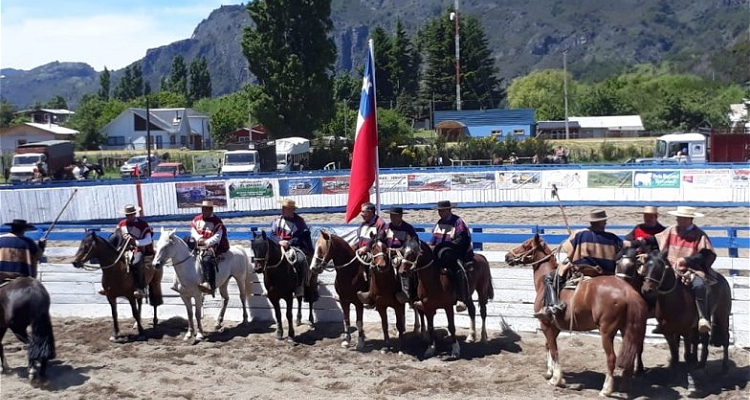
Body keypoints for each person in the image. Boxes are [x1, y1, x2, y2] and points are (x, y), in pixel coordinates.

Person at [627, 206, 716, 334]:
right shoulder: (671, 230)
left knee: (699, 285)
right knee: (653, 282)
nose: (678, 220)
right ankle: (661, 319)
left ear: (689, 219)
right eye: (678, 217)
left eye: (681, 218)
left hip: (691, 269)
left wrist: (687, 260)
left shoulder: (699, 235)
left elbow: (705, 254)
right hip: (670, 267)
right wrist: (634, 243)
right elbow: (653, 239)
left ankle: (703, 317)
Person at [535, 209, 623, 321]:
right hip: (607, 274)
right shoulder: (613, 238)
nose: (605, 223)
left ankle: (552, 306)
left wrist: (572, 238)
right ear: (603, 222)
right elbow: (621, 253)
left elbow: (567, 249)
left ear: (591, 222)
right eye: (604, 221)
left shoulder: (580, 234)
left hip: (583, 272)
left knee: (550, 278)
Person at [357, 206, 417, 307]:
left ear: (400, 216)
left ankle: (405, 292)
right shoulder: (387, 227)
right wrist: (378, 244)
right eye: (391, 216)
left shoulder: (408, 228)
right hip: (386, 253)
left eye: (395, 216)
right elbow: (380, 237)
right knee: (373, 264)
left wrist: (399, 250)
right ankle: (371, 292)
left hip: (402, 254)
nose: (392, 218)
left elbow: (412, 243)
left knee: (400, 265)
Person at [423, 200, 472, 313]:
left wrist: (448, 246)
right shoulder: (439, 223)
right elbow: (434, 239)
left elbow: (462, 240)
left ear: (449, 210)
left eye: (443, 210)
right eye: (439, 211)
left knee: (458, 269)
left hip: (456, 252)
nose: (440, 213)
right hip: (440, 253)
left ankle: (461, 298)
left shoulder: (458, 222)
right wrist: (430, 247)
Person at [103, 204, 153, 298]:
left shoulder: (143, 225)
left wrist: (135, 242)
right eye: (127, 215)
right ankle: (108, 285)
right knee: (111, 262)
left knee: (136, 262)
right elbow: (116, 236)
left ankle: (140, 287)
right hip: (122, 249)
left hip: (137, 249)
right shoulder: (121, 224)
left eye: (131, 214)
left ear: (135, 214)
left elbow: (148, 240)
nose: (129, 217)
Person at [184, 200, 229, 295]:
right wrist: (199, 238)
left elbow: (218, 236)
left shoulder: (217, 222)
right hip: (197, 243)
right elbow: (193, 230)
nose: (204, 211)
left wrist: (206, 243)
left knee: (207, 259)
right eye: (203, 209)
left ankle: (208, 283)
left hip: (210, 246)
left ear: (211, 210)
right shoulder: (197, 219)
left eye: (206, 209)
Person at [271, 198, 313, 297]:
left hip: (295, 246)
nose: (282, 209)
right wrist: (279, 241)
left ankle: (300, 286)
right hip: (279, 245)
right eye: (283, 207)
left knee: (301, 260)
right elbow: (272, 234)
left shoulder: (299, 221)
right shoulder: (277, 220)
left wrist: (289, 243)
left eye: (285, 208)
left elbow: (301, 236)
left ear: (292, 210)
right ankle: (270, 285)